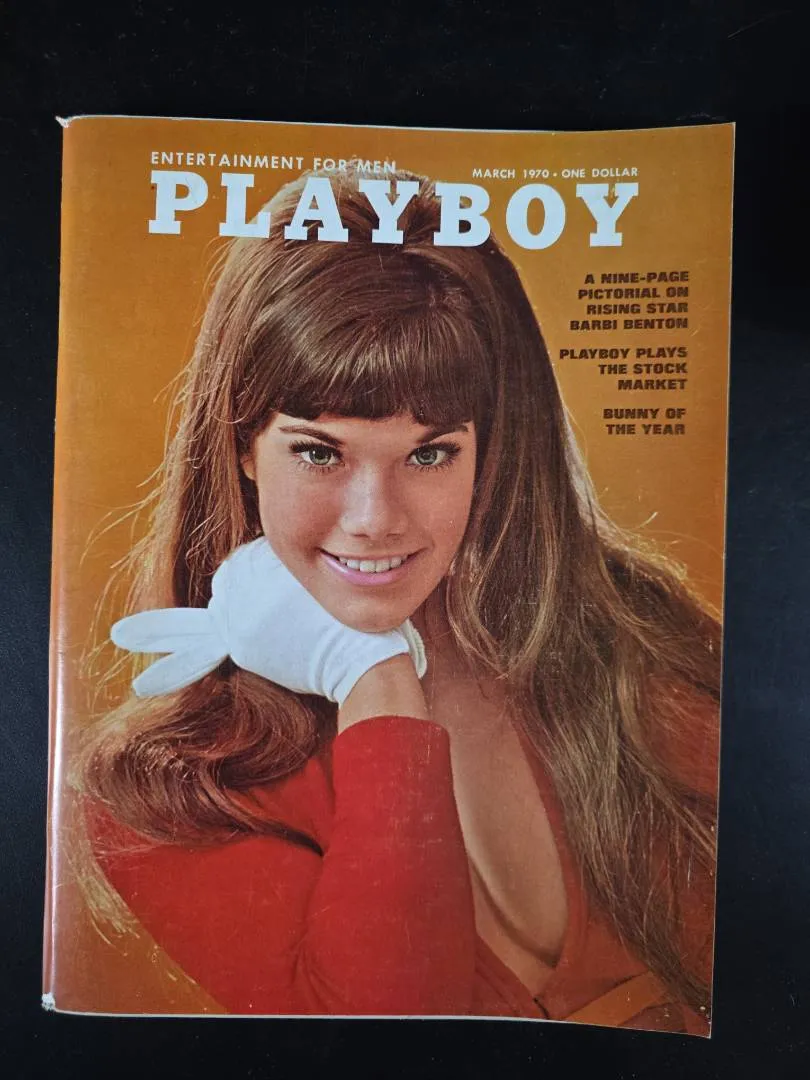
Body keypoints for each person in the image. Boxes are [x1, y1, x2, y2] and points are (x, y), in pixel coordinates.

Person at [80, 164, 721, 1031]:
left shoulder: (645, 643)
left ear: (493, 451)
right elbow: (388, 1035)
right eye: (319, 452)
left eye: (429, 454)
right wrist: (374, 676)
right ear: (240, 445)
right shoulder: (168, 790)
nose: (374, 521)